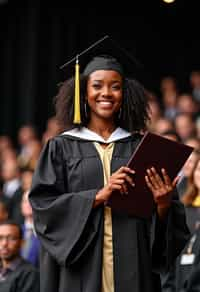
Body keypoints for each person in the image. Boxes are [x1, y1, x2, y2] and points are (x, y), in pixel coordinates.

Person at [29, 36, 190, 292]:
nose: (106, 93)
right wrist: (97, 196)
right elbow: (44, 208)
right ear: (84, 91)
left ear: (125, 94)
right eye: (97, 85)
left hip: (134, 270)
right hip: (81, 271)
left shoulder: (141, 147)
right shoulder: (61, 147)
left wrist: (162, 204)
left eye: (115, 86)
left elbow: (166, 237)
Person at [0, 220, 39, 292]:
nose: (4, 243)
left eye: (11, 238)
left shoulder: (30, 274)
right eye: (0, 238)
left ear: (22, 243)